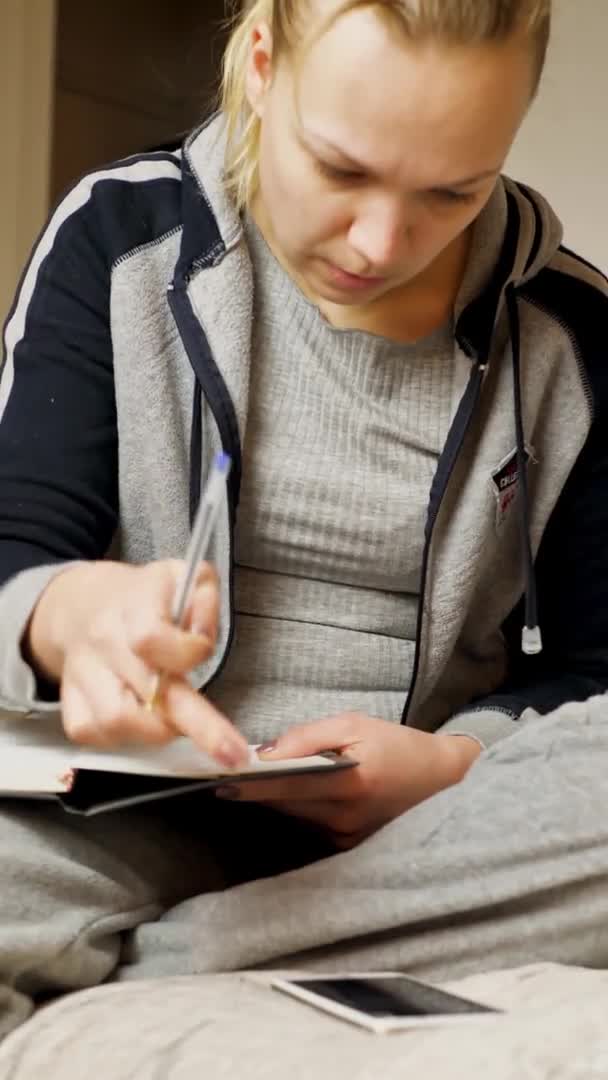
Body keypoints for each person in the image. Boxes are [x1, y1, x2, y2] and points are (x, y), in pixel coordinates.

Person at [1, 0, 608, 1041]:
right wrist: (73, 612)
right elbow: (16, 555)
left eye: (450, 192)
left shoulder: (571, 334)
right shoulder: (120, 239)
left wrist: (455, 764)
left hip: (430, 834)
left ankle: (177, 960)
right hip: (127, 818)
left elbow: (594, 672)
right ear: (261, 60)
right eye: (340, 169)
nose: (380, 244)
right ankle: (227, 946)